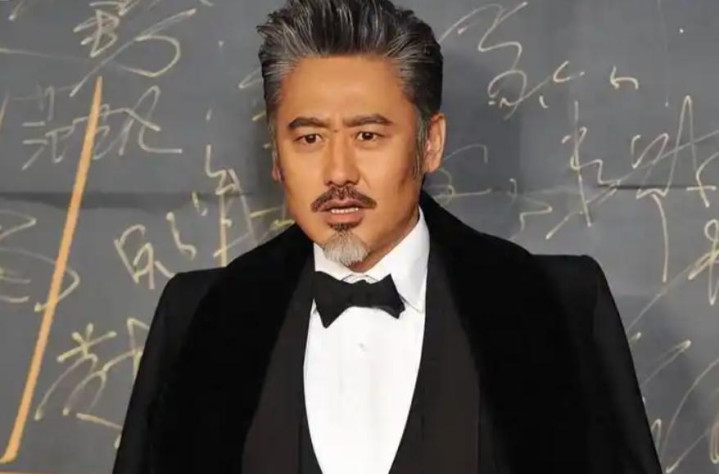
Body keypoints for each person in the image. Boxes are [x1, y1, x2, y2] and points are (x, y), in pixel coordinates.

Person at [112, 0, 663, 473]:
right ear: (276, 155)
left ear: (430, 144)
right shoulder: (199, 317)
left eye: (368, 135)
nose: (338, 172)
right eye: (309, 138)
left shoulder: (559, 307)